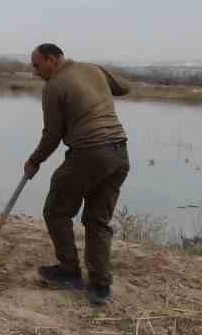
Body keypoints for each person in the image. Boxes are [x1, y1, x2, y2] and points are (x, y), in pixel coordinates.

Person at [23, 43, 131, 305]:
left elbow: (52, 135)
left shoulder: (53, 87)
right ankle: (100, 287)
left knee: (56, 210)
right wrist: (97, 75)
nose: (36, 72)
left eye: (37, 66)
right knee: (97, 221)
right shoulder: (92, 69)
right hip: (119, 153)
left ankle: (69, 271)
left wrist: (34, 161)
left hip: (89, 153)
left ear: (52, 59)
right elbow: (124, 88)